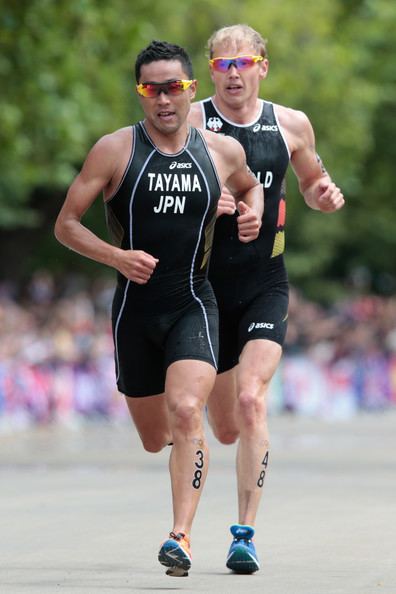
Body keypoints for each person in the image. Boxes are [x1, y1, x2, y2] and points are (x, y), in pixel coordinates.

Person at [54, 40, 263, 577]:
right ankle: (182, 451)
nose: (164, 99)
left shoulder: (222, 151)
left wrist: (249, 213)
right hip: (133, 311)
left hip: (194, 299)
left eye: (174, 87)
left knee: (189, 411)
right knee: (156, 437)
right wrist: (115, 256)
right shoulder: (115, 150)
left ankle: (181, 537)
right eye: (152, 89)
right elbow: (66, 224)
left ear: (191, 89)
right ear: (140, 93)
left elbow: (249, 187)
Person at [188, 24, 345, 574]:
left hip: (265, 284)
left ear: (262, 67)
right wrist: (212, 206)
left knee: (253, 401)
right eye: (223, 65)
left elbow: (312, 183)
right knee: (226, 426)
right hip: (203, 287)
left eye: (244, 62)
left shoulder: (291, 124)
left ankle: (244, 536)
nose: (234, 73)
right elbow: (162, 190)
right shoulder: (190, 121)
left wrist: (322, 194)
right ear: (211, 72)